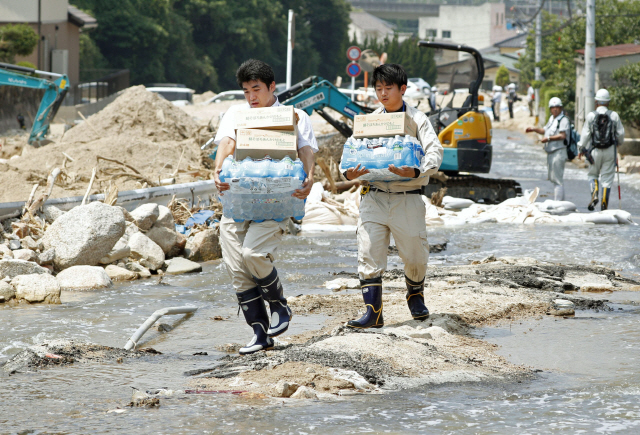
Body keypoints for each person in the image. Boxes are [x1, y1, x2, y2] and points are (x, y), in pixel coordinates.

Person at [213, 59, 318, 355]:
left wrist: (309, 176)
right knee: (237, 270)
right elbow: (227, 143)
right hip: (238, 202)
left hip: (275, 201)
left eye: (256, 89)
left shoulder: (294, 116)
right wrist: (218, 169)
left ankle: (279, 306)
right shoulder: (237, 114)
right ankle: (260, 334)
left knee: (254, 254)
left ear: (272, 87)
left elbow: (306, 150)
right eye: (246, 91)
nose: (251, 97)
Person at [341, 64, 443, 329]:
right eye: (379, 89)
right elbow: (352, 150)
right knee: (368, 250)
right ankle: (373, 312)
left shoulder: (417, 119)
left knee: (414, 256)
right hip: (373, 195)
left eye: (389, 88)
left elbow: (435, 150)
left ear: (403, 89)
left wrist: (417, 169)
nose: (383, 94)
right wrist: (349, 173)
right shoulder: (371, 121)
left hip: (407, 196)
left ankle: (415, 295)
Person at [578, 88, 625, 210]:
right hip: (610, 150)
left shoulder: (591, 116)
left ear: (596, 101)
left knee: (592, 174)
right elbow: (620, 134)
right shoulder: (614, 115)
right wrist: (618, 144)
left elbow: (585, 135)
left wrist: (581, 149)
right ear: (608, 102)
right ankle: (604, 204)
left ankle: (594, 193)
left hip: (594, 151)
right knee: (607, 178)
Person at [525, 97, 569, 200]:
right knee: (554, 179)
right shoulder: (552, 119)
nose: (555, 109)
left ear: (561, 108)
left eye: (557, 107)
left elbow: (562, 135)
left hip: (559, 151)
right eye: (553, 108)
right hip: (551, 152)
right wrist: (534, 129)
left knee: (557, 179)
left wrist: (548, 138)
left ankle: (558, 203)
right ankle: (561, 202)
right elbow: (544, 130)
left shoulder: (563, 120)